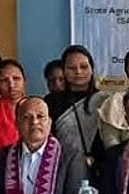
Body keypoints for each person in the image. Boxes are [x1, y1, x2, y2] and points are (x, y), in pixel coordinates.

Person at [44, 45, 106, 182]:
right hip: (61, 169)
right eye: (72, 68)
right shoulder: (51, 102)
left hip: (99, 169)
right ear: (64, 71)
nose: (78, 72)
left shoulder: (104, 101)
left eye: (84, 67)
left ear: (91, 69)